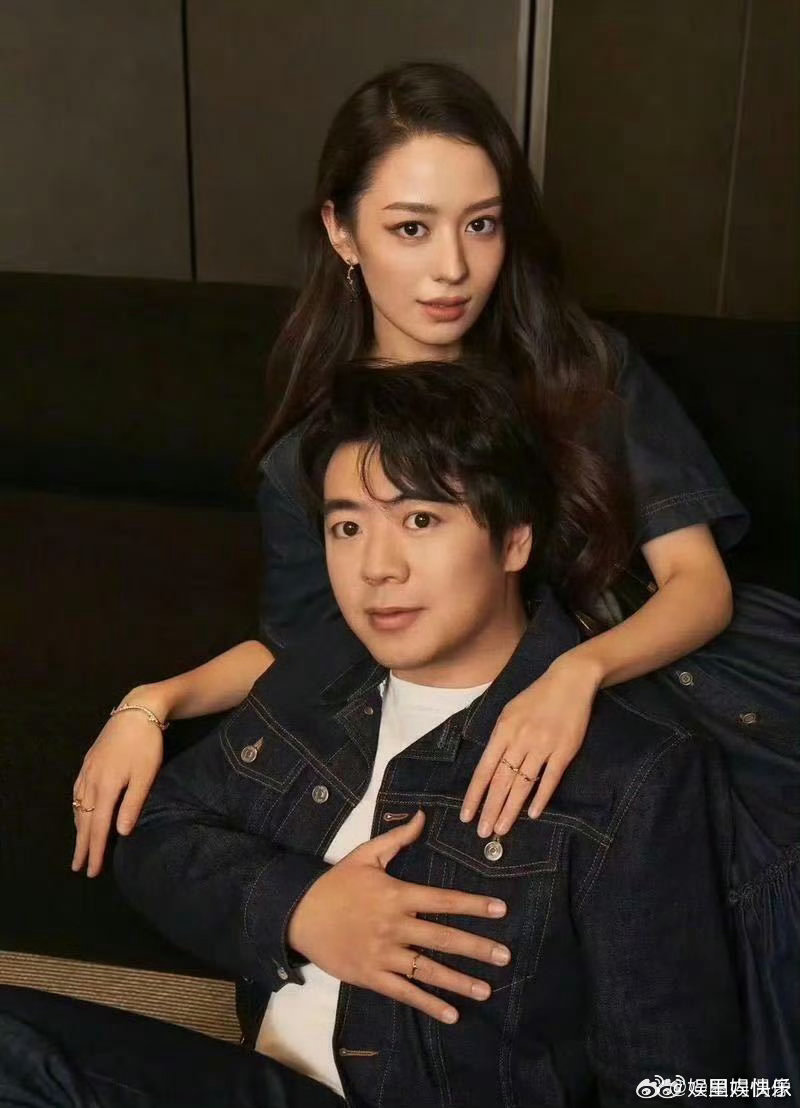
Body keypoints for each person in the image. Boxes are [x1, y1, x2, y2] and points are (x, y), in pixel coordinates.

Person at [70, 62, 799, 1079]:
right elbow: (308, 647)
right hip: (464, 725)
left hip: (661, 679)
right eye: (411, 228)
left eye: (481, 225)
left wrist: (575, 675)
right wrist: (153, 702)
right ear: (342, 233)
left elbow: (698, 585)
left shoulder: (579, 367)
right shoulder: (315, 449)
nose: (452, 268)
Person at [2, 360, 745, 1107]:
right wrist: (302, 909)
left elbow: (674, 1075)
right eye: (348, 527)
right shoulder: (324, 675)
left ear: (515, 540)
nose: (376, 568)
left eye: (420, 520)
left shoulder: (632, 772)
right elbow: (156, 833)